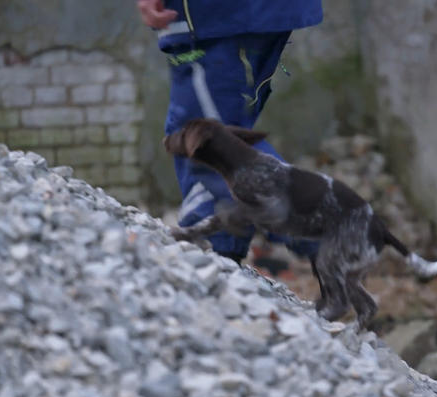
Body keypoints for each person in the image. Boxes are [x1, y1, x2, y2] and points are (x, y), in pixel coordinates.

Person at [137, 0, 323, 264]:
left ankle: (324, 223)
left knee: (200, 137)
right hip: (266, 10)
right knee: (223, 127)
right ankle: (222, 250)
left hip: (207, 14)